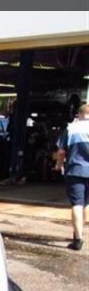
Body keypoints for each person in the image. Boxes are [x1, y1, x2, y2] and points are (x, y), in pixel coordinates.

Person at [56, 104, 89, 250]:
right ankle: (80, 232)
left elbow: (61, 151)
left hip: (75, 171)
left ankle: (78, 239)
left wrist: (58, 165)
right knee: (86, 204)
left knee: (77, 204)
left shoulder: (71, 129)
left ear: (79, 114)